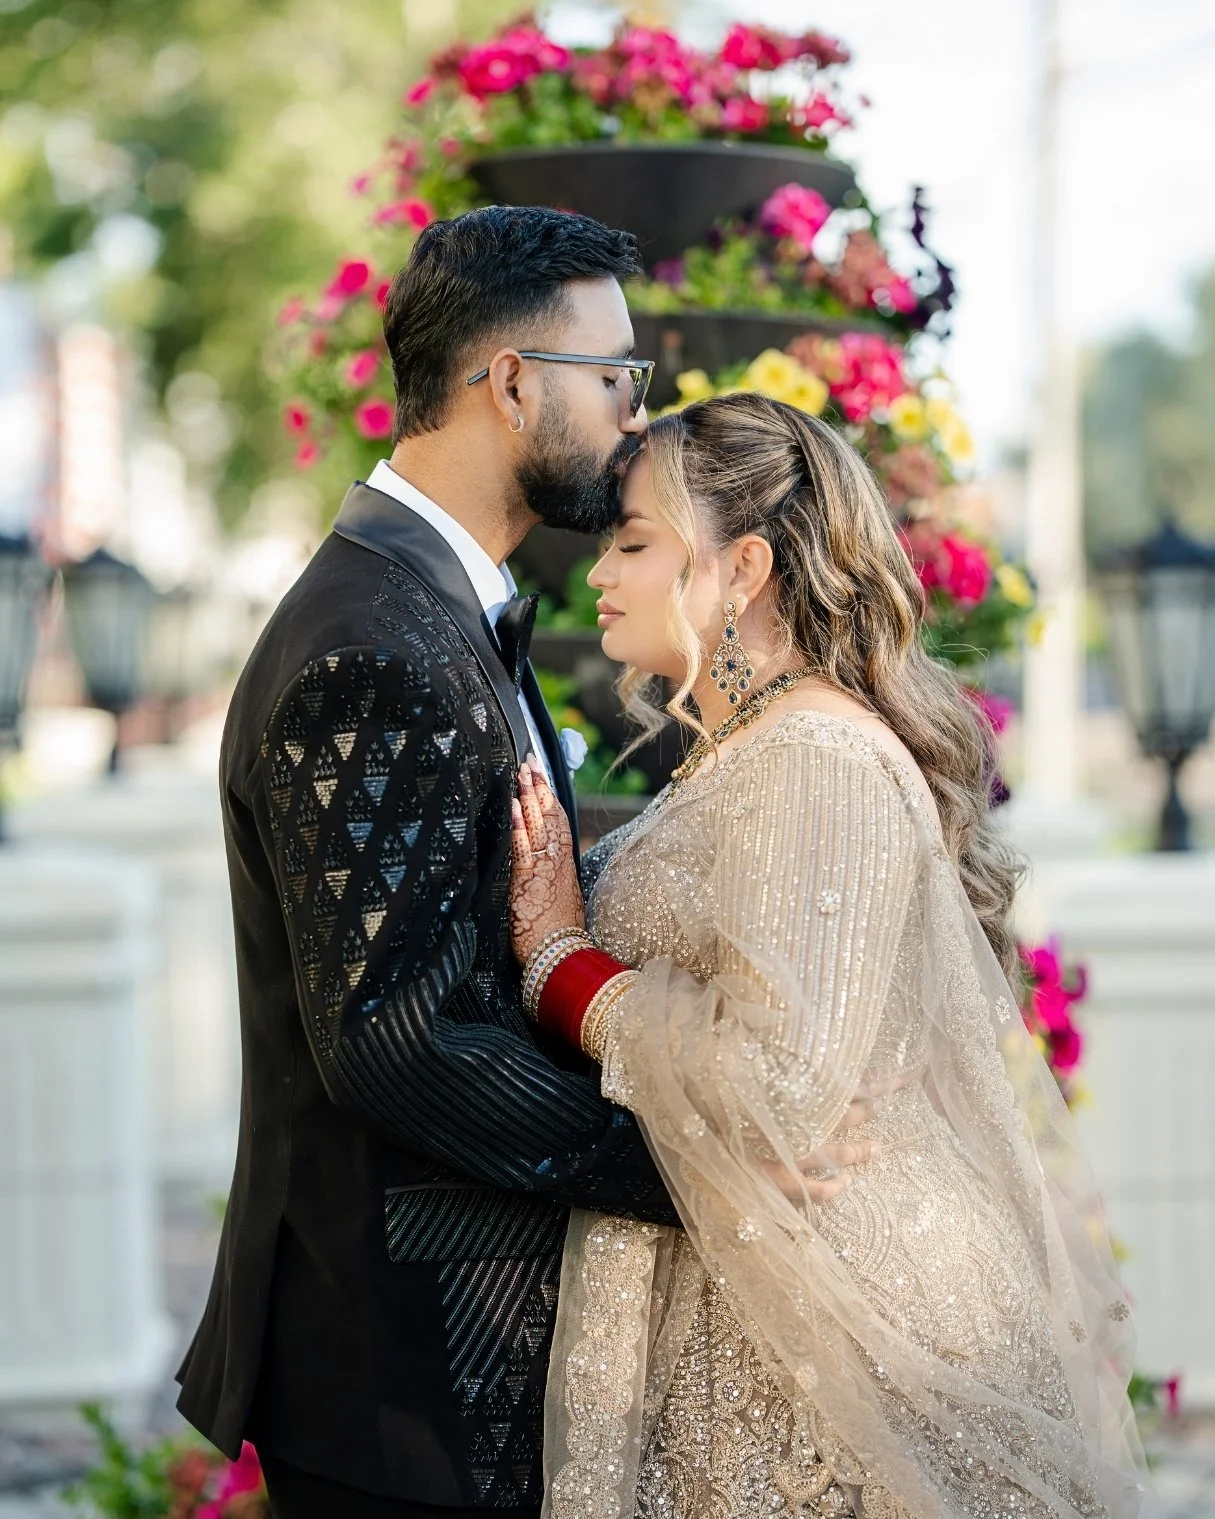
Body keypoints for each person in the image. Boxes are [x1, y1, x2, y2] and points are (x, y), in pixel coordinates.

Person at [177, 208, 870, 1519]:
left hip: (434, 1362)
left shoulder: (433, 608)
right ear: (509, 383)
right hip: (406, 1368)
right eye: (614, 377)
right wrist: (690, 1164)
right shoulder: (373, 641)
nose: (633, 416)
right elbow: (398, 1036)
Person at [508, 393, 1148, 1519]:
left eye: (634, 542)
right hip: (762, 1293)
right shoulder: (748, 745)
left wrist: (563, 965)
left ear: (743, 567)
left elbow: (782, 1082)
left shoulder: (818, 757)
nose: (598, 572)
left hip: (840, 1332)